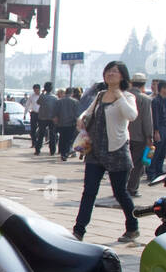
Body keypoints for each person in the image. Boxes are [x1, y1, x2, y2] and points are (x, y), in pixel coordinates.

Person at [73, 61, 139, 243]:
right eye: (108, 70)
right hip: (95, 151)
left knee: (120, 193)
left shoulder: (127, 97)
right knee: (89, 192)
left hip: (117, 151)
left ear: (123, 76)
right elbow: (87, 112)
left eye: (115, 71)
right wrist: (81, 119)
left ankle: (132, 227)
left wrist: (118, 95)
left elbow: (131, 115)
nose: (110, 73)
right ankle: (78, 231)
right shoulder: (100, 95)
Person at [126, 72, 154, 196]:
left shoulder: (123, 96)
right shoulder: (145, 99)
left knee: (124, 164)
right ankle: (132, 188)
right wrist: (149, 137)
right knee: (137, 165)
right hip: (139, 137)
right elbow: (147, 120)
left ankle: (121, 187)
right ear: (144, 84)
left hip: (123, 137)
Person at [148, 80, 166, 180]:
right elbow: (155, 117)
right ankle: (151, 173)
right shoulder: (156, 101)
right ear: (162, 89)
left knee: (162, 152)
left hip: (165, 128)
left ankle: (159, 172)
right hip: (159, 129)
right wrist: (156, 131)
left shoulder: (164, 100)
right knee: (156, 151)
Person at [34, 82, 59, 155]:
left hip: (42, 118)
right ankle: (52, 151)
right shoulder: (55, 98)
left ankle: (37, 150)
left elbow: (38, 102)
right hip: (52, 118)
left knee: (41, 134)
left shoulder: (42, 96)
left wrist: (42, 93)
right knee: (52, 135)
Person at [56, 87, 80, 160]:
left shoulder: (59, 101)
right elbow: (77, 113)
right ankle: (65, 154)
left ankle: (62, 153)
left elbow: (56, 112)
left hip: (61, 123)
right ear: (72, 93)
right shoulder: (75, 101)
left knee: (62, 138)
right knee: (69, 139)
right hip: (71, 123)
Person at [26, 84, 41, 148]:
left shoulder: (42, 96)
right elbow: (27, 104)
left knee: (41, 129)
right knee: (33, 129)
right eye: (35, 90)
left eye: (37, 90)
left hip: (41, 114)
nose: (36, 91)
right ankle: (34, 143)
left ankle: (39, 143)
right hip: (34, 113)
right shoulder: (32, 96)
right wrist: (25, 113)